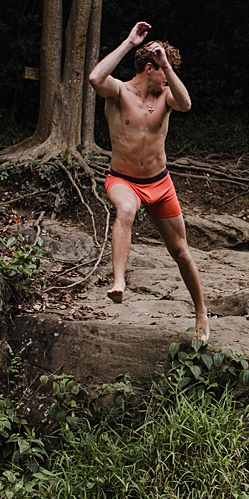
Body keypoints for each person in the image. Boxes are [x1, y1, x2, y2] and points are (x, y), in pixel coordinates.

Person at [88, 19, 209, 341]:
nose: (167, 77)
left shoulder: (166, 97)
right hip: (123, 179)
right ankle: (118, 281)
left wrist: (168, 66)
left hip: (160, 183)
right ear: (148, 67)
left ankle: (201, 312)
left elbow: (186, 104)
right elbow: (95, 77)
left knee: (181, 251)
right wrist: (129, 42)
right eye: (163, 70)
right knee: (126, 210)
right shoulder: (119, 92)